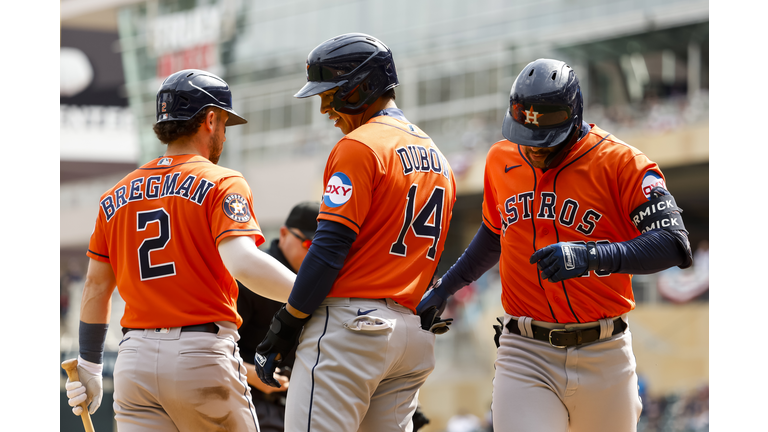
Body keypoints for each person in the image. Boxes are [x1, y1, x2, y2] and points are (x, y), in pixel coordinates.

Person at [418, 58, 693, 432]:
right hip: (525, 350)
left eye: (543, 143)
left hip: (604, 352)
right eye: (524, 138)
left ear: (574, 119)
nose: (532, 151)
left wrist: (591, 255)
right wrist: (446, 287)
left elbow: (674, 243)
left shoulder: (622, 162)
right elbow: (493, 235)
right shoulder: (501, 158)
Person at [64, 69, 297, 432]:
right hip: (200, 353)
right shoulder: (221, 180)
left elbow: (95, 288)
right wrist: (314, 294)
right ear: (209, 119)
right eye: (223, 122)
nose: (223, 132)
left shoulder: (115, 194)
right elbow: (244, 263)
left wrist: (91, 366)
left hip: (134, 361)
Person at [252, 33, 457, 432]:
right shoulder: (440, 158)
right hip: (412, 338)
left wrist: (287, 323)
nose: (325, 107)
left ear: (363, 86)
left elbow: (329, 247)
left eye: (331, 93)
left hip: (352, 329)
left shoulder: (359, 145)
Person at [236, 201, 320, 432]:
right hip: (247, 401)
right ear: (284, 233)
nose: (317, 254)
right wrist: (252, 374)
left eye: (324, 247)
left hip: (302, 406)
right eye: (310, 244)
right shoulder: (252, 276)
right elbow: (211, 348)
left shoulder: (325, 281)